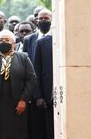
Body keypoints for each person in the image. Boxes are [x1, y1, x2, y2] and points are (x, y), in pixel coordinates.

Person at [0, 30, 36, 139]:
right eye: (1, 40)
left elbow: (31, 79)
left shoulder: (23, 57)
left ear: (13, 43)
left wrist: (23, 99)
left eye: (7, 40)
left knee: (18, 133)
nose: (3, 42)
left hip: (17, 104)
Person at [32, 9, 54, 139]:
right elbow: (37, 71)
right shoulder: (41, 42)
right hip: (46, 95)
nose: (44, 21)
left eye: (47, 18)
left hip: (62, 94)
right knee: (47, 130)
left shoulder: (65, 39)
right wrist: (38, 95)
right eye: (41, 18)